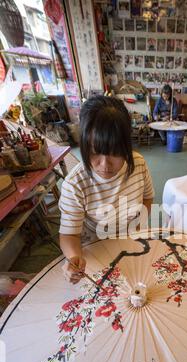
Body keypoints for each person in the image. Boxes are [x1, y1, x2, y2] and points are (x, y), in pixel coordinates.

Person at [59, 95, 154, 284]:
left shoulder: (138, 165)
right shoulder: (75, 184)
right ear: (84, 145)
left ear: (126, 146)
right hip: (95, 249)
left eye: (115, 153)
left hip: (130, 242)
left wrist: (136, 228)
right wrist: (74, 258)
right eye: (95, 152)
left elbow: (147, 198)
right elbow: (69, 234)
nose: (105, 165)